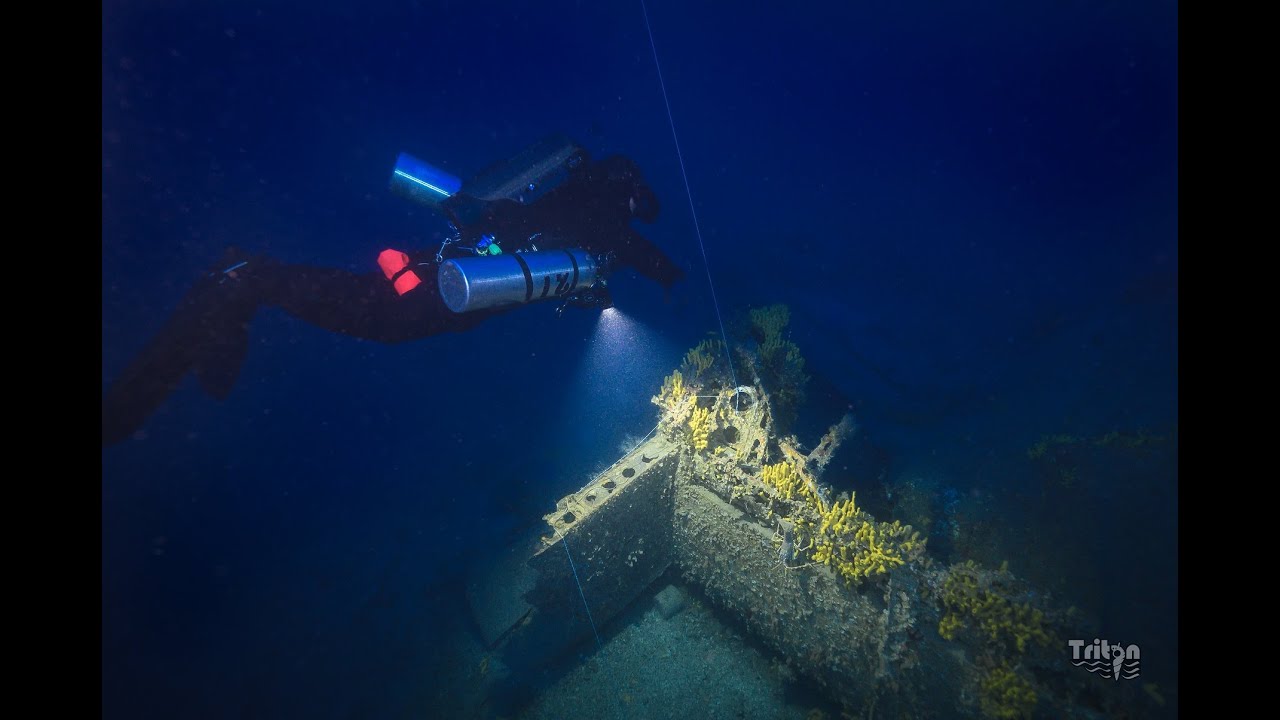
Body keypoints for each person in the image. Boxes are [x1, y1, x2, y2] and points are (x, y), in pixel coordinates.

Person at [101, 140, 686, 446]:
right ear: (627, 191)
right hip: (457, 286)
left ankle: (259, 285)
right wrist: (670, 277)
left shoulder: (569, 194)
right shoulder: (606, 214)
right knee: (380, 317)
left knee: (377, 309)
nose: (633, 212)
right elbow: (635, 248)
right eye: (636, 203)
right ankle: (252, 277)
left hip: (454, 267)